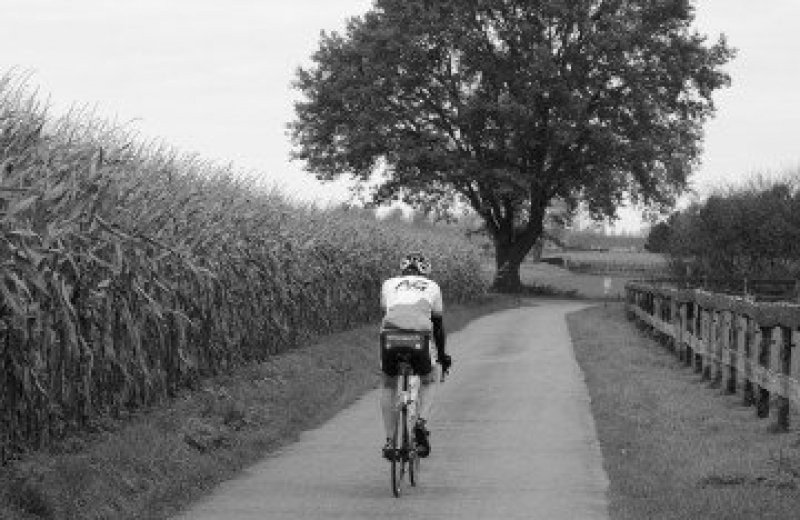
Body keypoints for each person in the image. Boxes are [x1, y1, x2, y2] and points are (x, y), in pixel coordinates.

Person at [380, 252, 452, 459]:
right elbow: (437, 327)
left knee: (388, 384)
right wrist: (442, 357)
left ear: (402, 270)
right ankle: (420, 422)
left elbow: (387, 311)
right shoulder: (432, 286)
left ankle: (389, 441)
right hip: (419, 339)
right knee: (429, 379)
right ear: (425, 271)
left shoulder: (388, 284)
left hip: (390, 338)